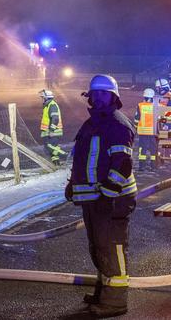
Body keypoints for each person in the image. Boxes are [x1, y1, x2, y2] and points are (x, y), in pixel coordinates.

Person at [65, 74, 137, 318]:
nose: (98, 98)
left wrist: (108, 194)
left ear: (114, 97)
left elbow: (122, 163)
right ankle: (103, 293)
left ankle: (115, 301)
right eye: (94, 94)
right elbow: (84, 159)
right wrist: (72, 184)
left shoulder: (117, 123)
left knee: (112, 247)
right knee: (99, 247)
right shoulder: (93, 123)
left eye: (103, 94)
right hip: (94, 199)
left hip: (112, 200)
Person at [39, 89, 66, 165]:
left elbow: (55, 118)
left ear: (47, 97)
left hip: (54, 132)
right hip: (51, 132)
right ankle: (56, 164)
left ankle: (65, 156)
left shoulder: (52, 105)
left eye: (43, 97)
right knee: (52, 149)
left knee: (50, 147)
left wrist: (51, 130)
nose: (42, 99)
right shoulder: (48, 105)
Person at [135, 88, 158, 170]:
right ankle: (153, 166)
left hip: (143, 132)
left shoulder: (140, 105)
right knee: (153, 149)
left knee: (142, 149)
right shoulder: (156, 106)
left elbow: (136, 118)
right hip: (153, 132)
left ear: (144, 97)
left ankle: (142, 167)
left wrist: (135, 128)